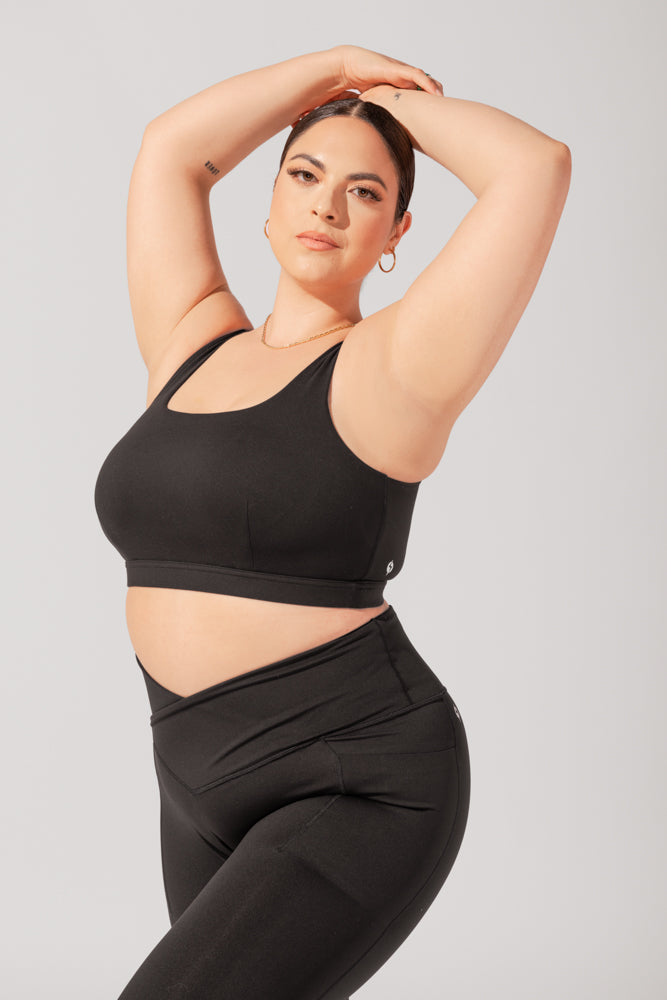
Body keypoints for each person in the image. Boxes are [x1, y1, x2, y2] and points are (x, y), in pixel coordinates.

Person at [94, 44, 571, 1000]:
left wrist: (389, 101)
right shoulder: (191, 339)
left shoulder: (398, 364)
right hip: (190, 778)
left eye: (364, 192)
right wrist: (333, 67)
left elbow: (534, 166)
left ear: (395, 231)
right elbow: (172, 149)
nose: (326, 207)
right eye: (305, 177)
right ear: (268, 200)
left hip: (354, 779)